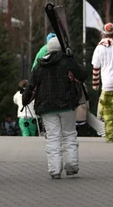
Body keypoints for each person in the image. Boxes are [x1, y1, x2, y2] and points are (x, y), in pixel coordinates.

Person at [22, 36, 88, 179]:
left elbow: (31, 86)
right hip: (67, 104)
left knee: (52, 138)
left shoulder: (40, 65)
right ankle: (71, 166)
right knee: (69, 134)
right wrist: (73, 58)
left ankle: (55, 170)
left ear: (48, 49)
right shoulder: (67, 62)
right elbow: (83, 75)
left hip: (46, 107)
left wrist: (25, 100)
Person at [91, 22, 113, 142]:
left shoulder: (99, 48)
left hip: (107, 85)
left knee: (107, 111)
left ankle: (111, 137)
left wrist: (95, 84)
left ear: (104, 33)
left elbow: (96, 68)